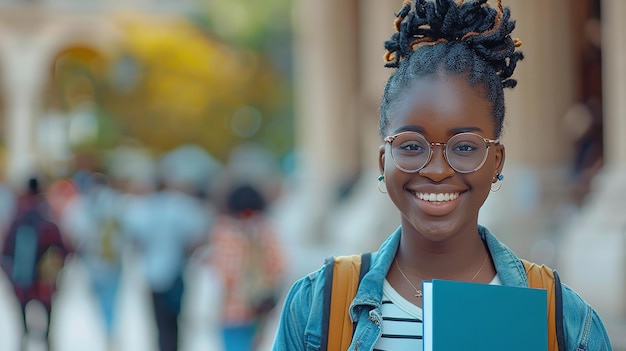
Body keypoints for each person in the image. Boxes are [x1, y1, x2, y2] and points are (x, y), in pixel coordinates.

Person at [272, 1, 613, 350]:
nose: (437, 170)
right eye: (411, 146)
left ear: (496, 161)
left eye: (464, 147)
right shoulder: (317, 308)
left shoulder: (563, 320)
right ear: (382, 161)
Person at [208, 183, 285, 351]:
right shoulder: (266, 230)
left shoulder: (223, 231)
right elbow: (280, 266)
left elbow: (224, 274)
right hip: (259, 307)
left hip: (231, 310)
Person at [1, 177, 71, 350]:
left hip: (21, 280)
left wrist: (10, 274)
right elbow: (63, 248)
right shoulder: (47, 215)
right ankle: (47, 342)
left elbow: (6, 251)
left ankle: (24, 340)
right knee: (48, 320)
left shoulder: (18, 216)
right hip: (44, 283)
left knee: (22, 320)